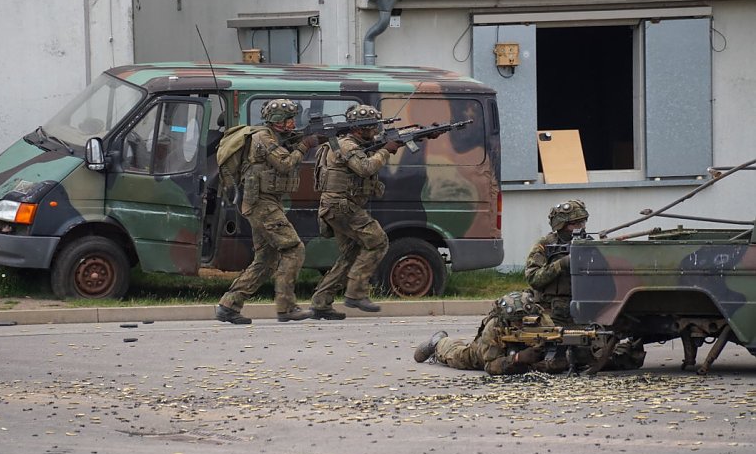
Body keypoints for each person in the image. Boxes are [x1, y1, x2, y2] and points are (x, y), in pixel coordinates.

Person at [216, 99, 320, 324]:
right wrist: (305, 145)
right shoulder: (262, 137)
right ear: (277, 122)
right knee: (293, 248)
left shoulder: (273, 137)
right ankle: (286, 307)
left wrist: (301, 141)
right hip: (262, 205)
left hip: (264, 203)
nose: (293, 123)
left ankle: (229, 305)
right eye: (289, 119)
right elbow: (284, 164)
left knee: (266, 258)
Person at [308, 105, 402, 319]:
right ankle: (356, 293)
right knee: (378, 241)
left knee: (350, 255)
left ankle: (321, 303)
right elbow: (366, 168)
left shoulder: (355, 143)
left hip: (339, 207)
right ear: (360, 129)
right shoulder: (347, 145)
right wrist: (386, 150)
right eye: (372, 127)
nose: (376, 131)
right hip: (342, 207)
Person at [413, 291, 645, 375]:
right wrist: (517, 359)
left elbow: (556, 334)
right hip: (491, 353)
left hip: (534, 354)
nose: (524, 323)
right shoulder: (495, 327)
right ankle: (438, 342)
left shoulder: (539, 318)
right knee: (460, 357)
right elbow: (490, 366)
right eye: (518, 322)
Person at [524, 199, 589, 326]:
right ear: (561, 225)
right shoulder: (544, 245)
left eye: (583, 221)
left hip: (583, 312)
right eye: (576, 223)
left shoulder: (588, 244)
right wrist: (562, 264)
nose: (582, 227)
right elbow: (533, 278)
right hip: (551, 314)